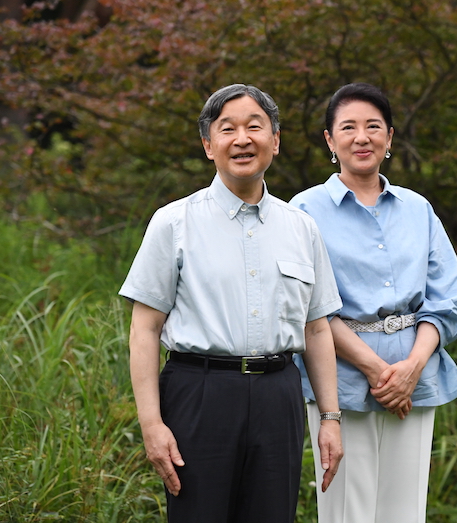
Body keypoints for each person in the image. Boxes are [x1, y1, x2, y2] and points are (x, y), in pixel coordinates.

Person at [119, 84, 344, 523]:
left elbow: (317, 329)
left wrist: (330, 418)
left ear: (275, 141)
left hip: (278, 396)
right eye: (227, 129)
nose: (242, 139)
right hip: (198, 393)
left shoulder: (302, 228)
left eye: (254, 126)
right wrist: (151, 423)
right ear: (209, 145)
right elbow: (143, 330)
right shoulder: (174, 222)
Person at [289, 82, 457, 523]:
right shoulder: (303, 211)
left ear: (389, 137)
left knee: (405, 511)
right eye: (347, 127)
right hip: (342, 380)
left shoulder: (417, 208)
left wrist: (409, 369)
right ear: (330, 140)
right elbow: (308, 308)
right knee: (347, 510)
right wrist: (376, 370)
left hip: (415, 376)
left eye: (373, 126)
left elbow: (446, 299)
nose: (361, 137)